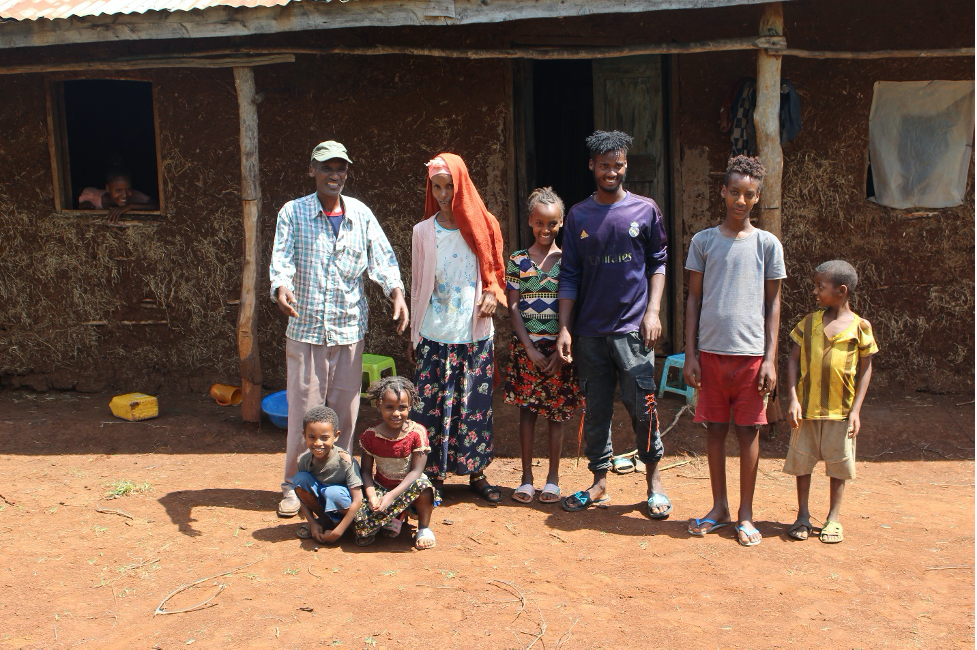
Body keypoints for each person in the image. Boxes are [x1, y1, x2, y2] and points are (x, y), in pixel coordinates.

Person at [270, 140, 409, 518]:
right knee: (305, 414)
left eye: (341, 168)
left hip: (349, 329)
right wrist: (281, 285)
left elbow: (383, 259)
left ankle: (336, 484)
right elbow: (281, 258)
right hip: (307, 328)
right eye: (327, 168)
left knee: (345, 416)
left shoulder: (360, 215)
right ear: (311, 170)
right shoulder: (293, 213)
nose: (335, 175)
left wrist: (396, 292)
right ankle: (294, 486)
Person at [555, 130, 671, 518]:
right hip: (589, 333)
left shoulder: (645, 210)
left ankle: (654, 483)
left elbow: (658, 261)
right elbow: (568, 274)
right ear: (592, 166)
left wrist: (652, 311)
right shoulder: (578, 215)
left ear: (626, 166)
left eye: (617, 165)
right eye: (603, 165)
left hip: (632, 332)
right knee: (595, 408)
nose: (611, 171)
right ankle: (599, 482)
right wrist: (566, 328)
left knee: (644, 406)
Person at [683, 155, 785, 547]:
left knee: (748, 432)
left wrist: (770, 360)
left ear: (757, 198)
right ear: (723, 192)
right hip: (710, 354)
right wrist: (690, 353)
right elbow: (693, 300)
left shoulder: (766, 245)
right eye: (735, 192)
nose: (741, 200)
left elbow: (773, 304)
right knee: (715, 431)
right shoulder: (704, 242)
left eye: (750, 194)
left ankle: (745, 513)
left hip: (751, 357)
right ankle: (719, 507)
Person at [409, 153, 507, 505]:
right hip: (434, 333)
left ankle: (476, 472)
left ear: (461, 185)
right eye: (437, 187)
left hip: (474, 333)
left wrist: (494, 293)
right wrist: (414, 334)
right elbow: (419, 285)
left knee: (474, 406)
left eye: (450, 186)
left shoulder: (485, 224)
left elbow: (496, 271)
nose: (443, 194)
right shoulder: (423, 232)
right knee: (429, 408)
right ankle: (430, 477)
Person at [784, 260, 878, 544]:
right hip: (807, 409)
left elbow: (866, 368)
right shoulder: (809, 322)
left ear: (841, 290)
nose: (815, 291)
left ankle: (833, 518)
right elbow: (792, 359)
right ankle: (802, 515)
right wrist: (792, 399)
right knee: (803, 462)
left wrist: (856, 411)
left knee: (838, 465)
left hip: (841, 412)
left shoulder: (861, 327)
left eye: (820, 287)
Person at [504, 187, 581, 504]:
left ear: (561, 223)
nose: (545, 230)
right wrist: (531, 349)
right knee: (527, 412)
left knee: (557, 415)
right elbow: (512, 307)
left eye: (551, 224)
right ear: (530, 222)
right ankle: (525, 479)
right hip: (527, 352)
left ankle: (552, 479)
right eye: (539, 223)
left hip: (559, 353)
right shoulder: (518, 261)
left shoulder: (569, 262)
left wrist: (562, 351)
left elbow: (575, 305)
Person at [354, 376, 438, 549]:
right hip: (381, 487)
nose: (396, 413)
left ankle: (423, 528)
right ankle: (395, 515)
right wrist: (372, 497)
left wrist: (391, 496)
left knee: (424, 486)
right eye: (389, 407)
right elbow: (366, 472)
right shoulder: (370, 436)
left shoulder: (417, 433)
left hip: (409, 488)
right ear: (379, 405)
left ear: (410, 406)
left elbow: (416, 472)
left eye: (402, 408)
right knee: (361, 528)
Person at [292, 405, 364, 544]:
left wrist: (338, 532)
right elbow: (301, 495)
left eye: (325, 437)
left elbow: (358, 500)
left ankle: (345, 525)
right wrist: (312, 522)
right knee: (300, 480)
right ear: (304, 435)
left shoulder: (345, 461)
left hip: (343, 505)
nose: (318, 443)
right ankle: (324, 521)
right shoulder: (304, 461)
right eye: (312, 437)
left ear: (336, 436)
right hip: (323, 505)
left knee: (333, 493)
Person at [78, 165, 158, 222]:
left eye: (128, 189)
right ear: (108, 189)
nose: (125, 195)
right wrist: (82, 206)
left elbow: (157, 205)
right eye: (118, 190)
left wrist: (129, 207)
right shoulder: (92, 196)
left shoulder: (135, 195)